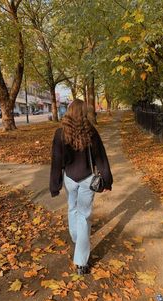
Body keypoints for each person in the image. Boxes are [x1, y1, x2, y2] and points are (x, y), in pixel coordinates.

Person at [49, 99, 113, 275]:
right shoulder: (90, 132)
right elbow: (101, 157)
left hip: (70, 178)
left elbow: (56, 162)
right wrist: (107, 180)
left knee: (73, 208)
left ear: (69, 111)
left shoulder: (60, 133)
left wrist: (55, 185)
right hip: (87, 178)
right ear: (84, 113)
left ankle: (77, 240)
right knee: (83, 216)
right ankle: (81, 263)